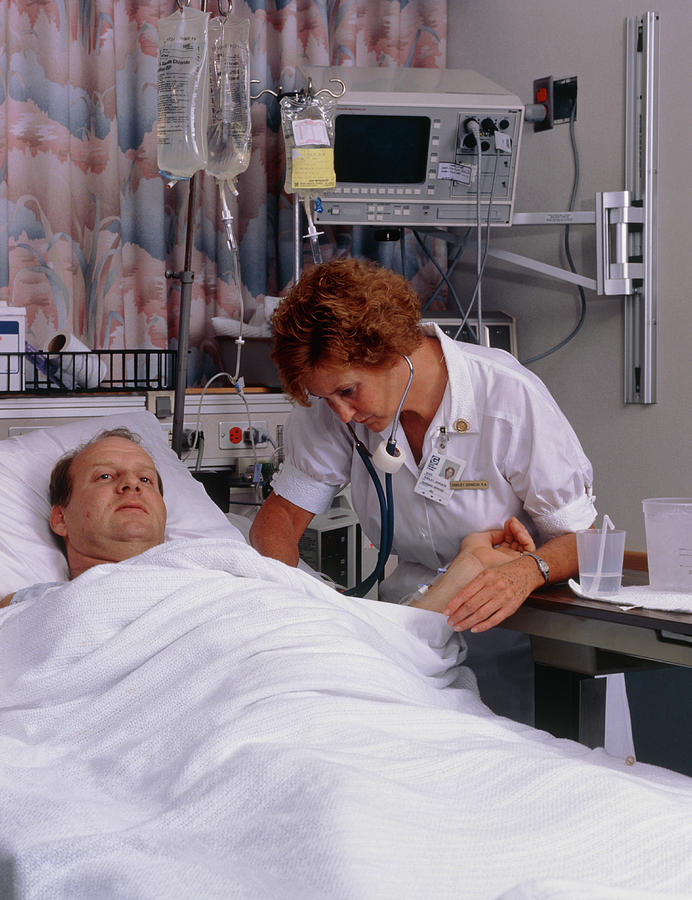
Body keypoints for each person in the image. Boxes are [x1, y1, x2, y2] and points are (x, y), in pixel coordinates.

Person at [250, 257, 597, 723]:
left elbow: (585, 542)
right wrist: (291, 607)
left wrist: (527, 572)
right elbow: (281, 520)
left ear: (392, 352)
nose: (341, 415)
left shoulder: (507, 398)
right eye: (324, 398)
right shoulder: (333, 407)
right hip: (409, 623)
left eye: (349, 392)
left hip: (511, 621)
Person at [0, 428, 167, 607]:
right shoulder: (28, 608)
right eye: (105, 476)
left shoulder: (197, 572)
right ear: (61, 519)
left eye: (145, 479)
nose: (132, 483)